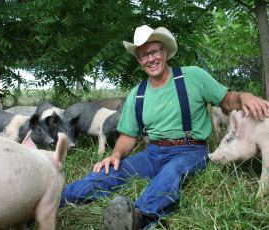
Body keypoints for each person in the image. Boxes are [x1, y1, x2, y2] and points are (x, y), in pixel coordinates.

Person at [60, 25, 269, 229]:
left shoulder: (193, 76)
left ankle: (138, 216)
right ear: (139, 60)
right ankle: (52, 199)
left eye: (154, 52)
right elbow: (128, 136)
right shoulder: (137, 94)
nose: (150, 59)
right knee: (109, 173)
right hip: (152, 153)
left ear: (165, 52)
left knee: (172, 173)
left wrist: (245, 97)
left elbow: (227, 99)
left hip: (190, 150)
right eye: (143, 55)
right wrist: (115, 154)